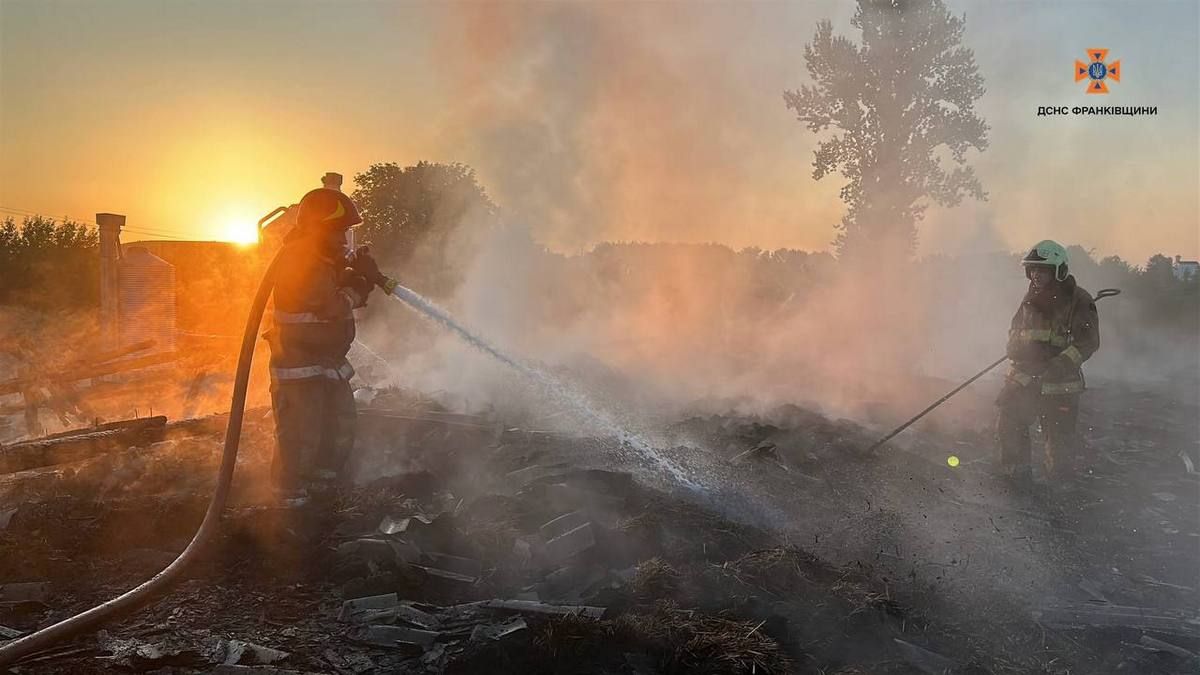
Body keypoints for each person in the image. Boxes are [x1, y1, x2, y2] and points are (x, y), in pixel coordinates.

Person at [265, 185, 383, 497]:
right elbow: (329, 305)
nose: (344, 241)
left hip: (325, 363)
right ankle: (289, 503)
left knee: (338, 428)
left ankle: (324, 491)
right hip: (299, 366)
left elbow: (332, 289)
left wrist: (354, 273)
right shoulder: (299, 261)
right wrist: (359, 285)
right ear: (318, 230)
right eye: (339, 232)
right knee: (302, 436)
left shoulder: (321, 260)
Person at [997, 240, 1100, 489]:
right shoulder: (1030, 297)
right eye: (1032, 270)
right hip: (1025, 376)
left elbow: (1088, 343)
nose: (1036, 275)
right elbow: (1017, 327)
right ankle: (1016, 478)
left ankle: (1059, 488)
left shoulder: (1079, 300)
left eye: (1042, 270)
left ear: (1059, 271)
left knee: (1059, 440)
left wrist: (1060, 363)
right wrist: (1013, 346)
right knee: (1009, 420)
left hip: (1059, 384)